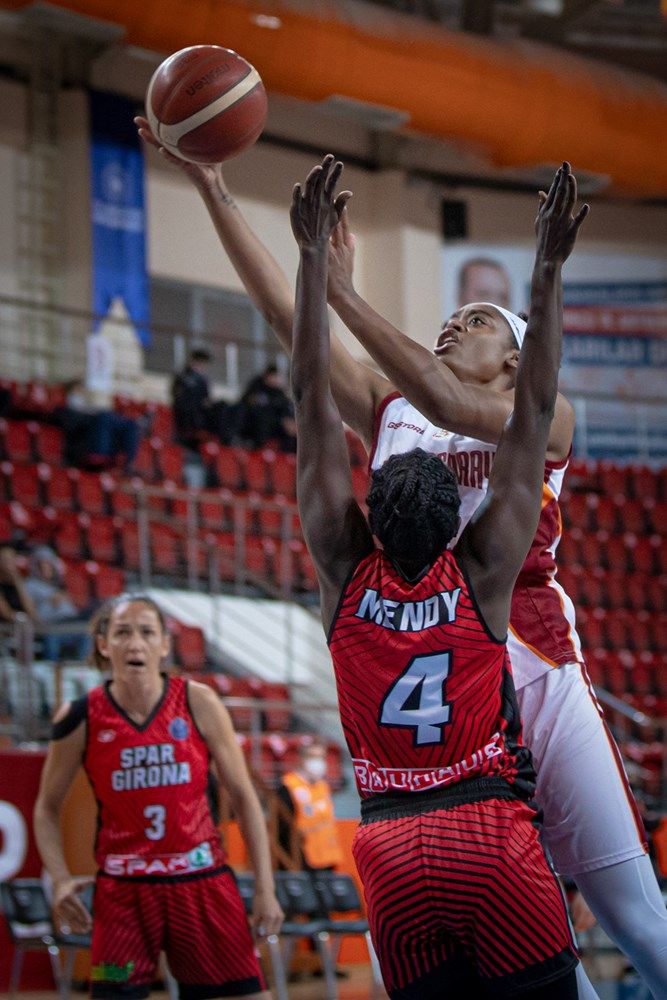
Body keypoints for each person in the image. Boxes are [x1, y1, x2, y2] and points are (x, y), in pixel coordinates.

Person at [134, 118, 667, 996]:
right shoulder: (391, 402)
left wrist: (340, 288)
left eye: (480, 318)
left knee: (631, 906)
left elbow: (446, 398)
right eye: (452, 315)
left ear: (519, 350)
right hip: (428, 654)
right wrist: (214, 189)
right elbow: (287, 326)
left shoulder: (547, 411)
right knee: (499, 932)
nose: (455, 320)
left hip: (529, 653)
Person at [289, 154, 585, 997]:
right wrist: (548, 269)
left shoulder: (345, 579)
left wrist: (316, 267)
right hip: (484, 828)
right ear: (459, 520)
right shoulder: (481, 573)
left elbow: (310, 397)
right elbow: (530, 415)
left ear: (367, 517)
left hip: (386, 843)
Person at [33, 594, 283, 1000]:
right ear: (103, 644)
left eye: (147, 632)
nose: (135, 643)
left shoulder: (197, 701)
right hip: (122, 897)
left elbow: (243, 795)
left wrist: (267, 890)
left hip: (201, 882)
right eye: (122, 633)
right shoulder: (79, 715)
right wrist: (60, 879)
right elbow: (45, 808)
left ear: (165, 645)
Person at [276, 741, 343, 871]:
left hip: (327, 858)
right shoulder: (289, 786)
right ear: (301, 758)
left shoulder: (323, 786)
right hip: (302, 860)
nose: (318, 762)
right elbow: (283, 828)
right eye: (312, 756)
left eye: (321, 757)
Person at [56, 379, 140, 474]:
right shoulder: (68, 402)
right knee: (105, 416)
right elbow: (76, 415)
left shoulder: (83, 400)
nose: (82, 390)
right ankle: (99, 455)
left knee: (130, 426)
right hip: (88, 424)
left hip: (95, 422)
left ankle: (129, 463)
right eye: (79, 387)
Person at [23, 546, 90, 662]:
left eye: (49, 564)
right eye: (44, 564)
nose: (47, 568)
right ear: (36, 566)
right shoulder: (30, 585)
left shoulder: (58, 585)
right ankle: (51, 669)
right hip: (50, 626)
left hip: (69, 622)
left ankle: (83, 670)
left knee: (87, 633)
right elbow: (30, 610)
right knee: (52, 638)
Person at [171, 347, 234, 447]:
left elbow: (206, 397)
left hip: (201, 411)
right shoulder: (183, 376)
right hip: (191, 413)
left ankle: (226, 438)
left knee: (224, 406)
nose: (202, 366)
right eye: (200, 362)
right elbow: (180, 398)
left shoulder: (202, 378)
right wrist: (200, 402)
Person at [235, 365, 297, 453]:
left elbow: (283, 408)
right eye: (274, 376)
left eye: (278, 377)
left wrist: (288, 421)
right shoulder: (256, 386)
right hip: (256, 423)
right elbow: (247, 403)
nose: (276, 380)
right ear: (267, 376)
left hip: (276, 424)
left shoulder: (279, 393)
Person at [0, 544, 35, 623]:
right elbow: (5, 613)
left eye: (12, 558)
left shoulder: (21, 581)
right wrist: (20, 617)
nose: (9, 563)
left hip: (23, 625)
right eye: (5, 559)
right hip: (5, 628)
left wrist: (17, 580)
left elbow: (31, 611)